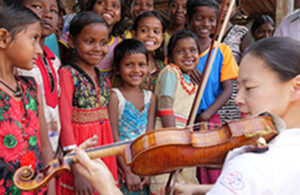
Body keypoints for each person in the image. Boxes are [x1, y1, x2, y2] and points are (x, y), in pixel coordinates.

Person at [74, 37, 300, 195]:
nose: (238, 99)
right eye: (238, 87)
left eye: (249, 88)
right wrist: (201, 189)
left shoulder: (253, 165)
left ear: (296, 87)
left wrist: (106, 187)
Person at [57, 11, 118, 194]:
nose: (97, 48)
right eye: (89, 42)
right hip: (80, 151)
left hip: (103, 147)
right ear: (72, 41)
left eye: (103, 42)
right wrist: (76, 168)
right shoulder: (67, 74)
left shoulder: (103, 78)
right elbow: (65, 122)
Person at [0, 6, 55, 194]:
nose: (39, 50)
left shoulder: (31, 88)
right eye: (34, 38)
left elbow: (45, 145)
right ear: (3, 38)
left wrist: (52, 189)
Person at [187, 0, 239, 184]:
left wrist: (207, 114)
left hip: (209, 119)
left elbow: (228, 89)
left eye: (212, 20)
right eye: (200, 19)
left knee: (210, 170)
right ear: (189, 19)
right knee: (187, 170)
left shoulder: (222, 50)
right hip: (184, 120)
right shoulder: (181, 51)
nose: (206, 24)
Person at [150, 29, 200, 194]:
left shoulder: (192, 81)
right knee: (165, 180)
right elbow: (165, 107)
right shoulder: (171, 72)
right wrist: (175, 139)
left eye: (193, 50)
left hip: (183, 137)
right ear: (170, 57)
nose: (188, 55)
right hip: (168, 136)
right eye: (180, 51)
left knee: (184, 183)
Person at [108, 39, 156, 195]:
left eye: (141, 64)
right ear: (117, 68)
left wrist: (148, 170)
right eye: (129, 65)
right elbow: (114, 136)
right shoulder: (115, 96)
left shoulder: (151, 97)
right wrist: (127, 171)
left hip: (143, 166)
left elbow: (149, 136)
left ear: (148, 67)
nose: (136, 70)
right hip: (122, 168)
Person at [16, 0, 61, 153]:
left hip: (52, 148)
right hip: (27, 150)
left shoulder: (54, 61)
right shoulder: (18, 63)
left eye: (54, 11)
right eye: (37, 7)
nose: (47, 14)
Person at [60, 0, 126, 80]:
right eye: (101, 2)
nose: (108, 8)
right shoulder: (69, 74)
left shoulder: (119, 43)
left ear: (120, 15)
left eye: (115, 6)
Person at [132, 11, 166, 92]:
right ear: (134, 34)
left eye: (156, 32)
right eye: (144, 30)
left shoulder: (162, 67)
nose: (151, 35)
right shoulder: (127, 63)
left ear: (162, 37)